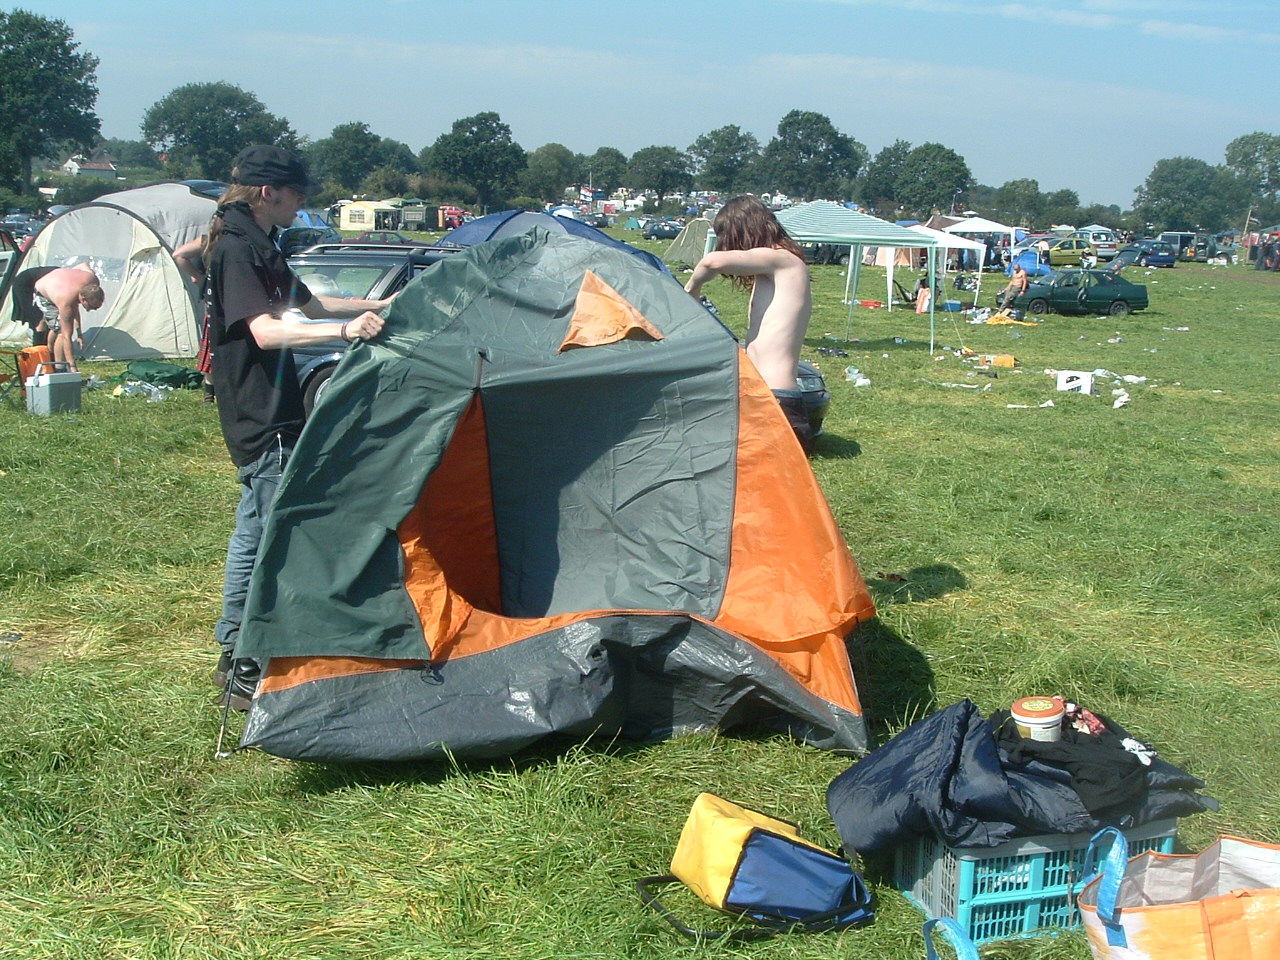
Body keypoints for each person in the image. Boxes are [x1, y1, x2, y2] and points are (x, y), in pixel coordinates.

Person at [206, 144, 394, 710]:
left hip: (273, 407)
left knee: (258, 527)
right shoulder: (237, 248)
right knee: (264, 535)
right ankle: (241, 661)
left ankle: (235, 652)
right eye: (297, 193)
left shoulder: (258, 242)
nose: (303, 202)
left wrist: (383, 302)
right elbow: (265, 332)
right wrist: (345, 336)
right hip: (259, 413)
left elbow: (310, 305)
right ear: (269, 192)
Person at [683, 195, 814, 451]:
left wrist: (691, 290)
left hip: (776, 399)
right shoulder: (773, 271)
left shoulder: (785, 260)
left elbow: (712, 261)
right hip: (762, 395)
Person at [11, 263, 103, 364]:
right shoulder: (66, 298)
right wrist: (72, 365)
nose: (92, 310)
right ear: (83, 298)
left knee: (56, 324)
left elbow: (83, 264)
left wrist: (79, 334)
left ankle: (50, 356)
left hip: (55, 283)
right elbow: (66, 335)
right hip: (27, 283)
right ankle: (40, 357)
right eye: (91, 307)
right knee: (44, 324)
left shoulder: (91, 283)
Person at [172, 235, 216, 404]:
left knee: (213, 351)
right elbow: (179, 255)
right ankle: (210, 395)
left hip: (214, 303)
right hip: (224, 303)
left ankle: (209, 395)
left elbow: (193, 276)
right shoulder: (210, 240)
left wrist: (203, 280)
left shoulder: (210, 239)